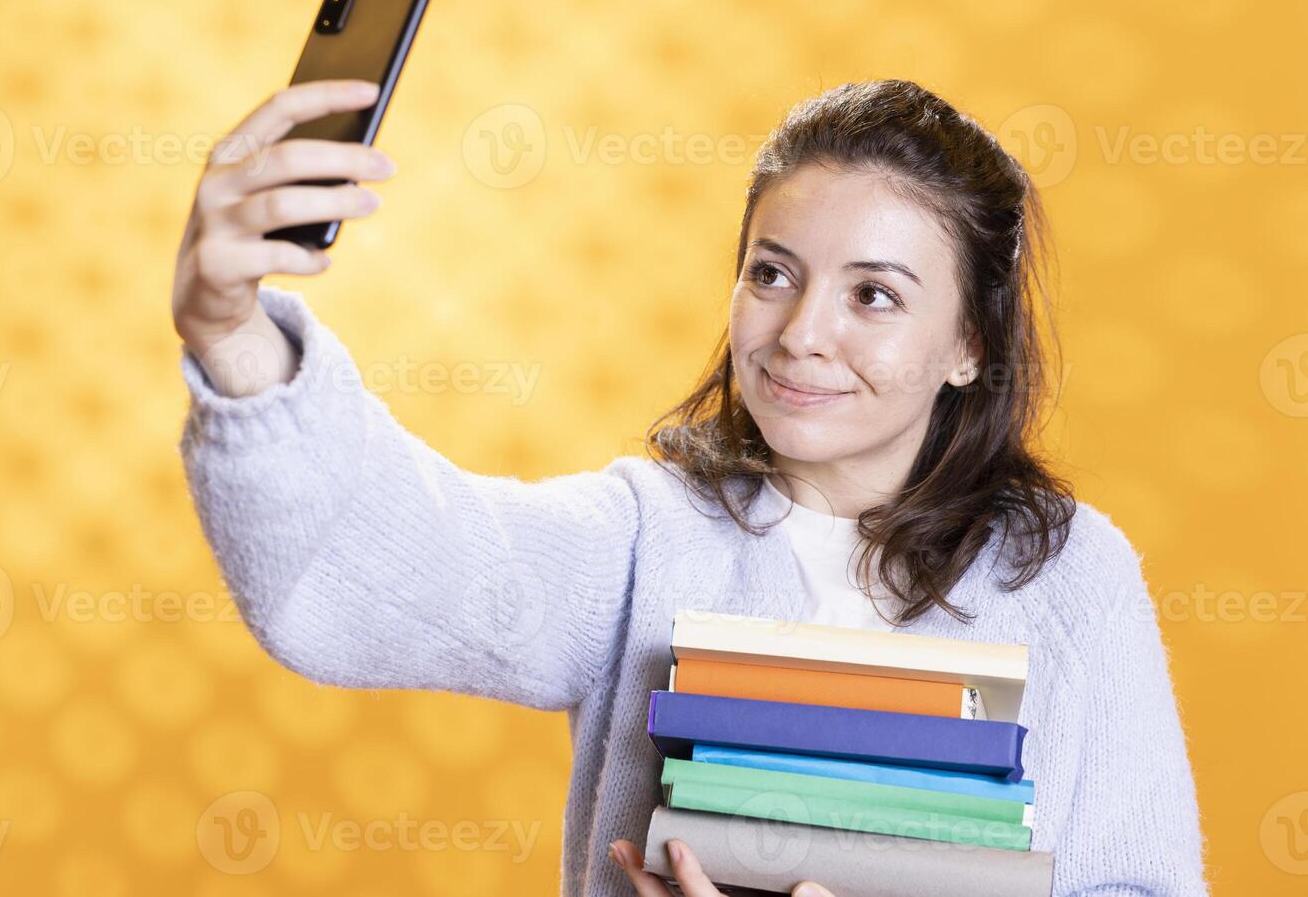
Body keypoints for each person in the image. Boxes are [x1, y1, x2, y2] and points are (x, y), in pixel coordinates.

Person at [172, 78, 1209, 896]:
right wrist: (231, 332)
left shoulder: (1068, 574)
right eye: (772, 271)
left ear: (971, 343)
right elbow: (376, 557)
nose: (801, 331)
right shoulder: (644, 539)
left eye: (874, 293)